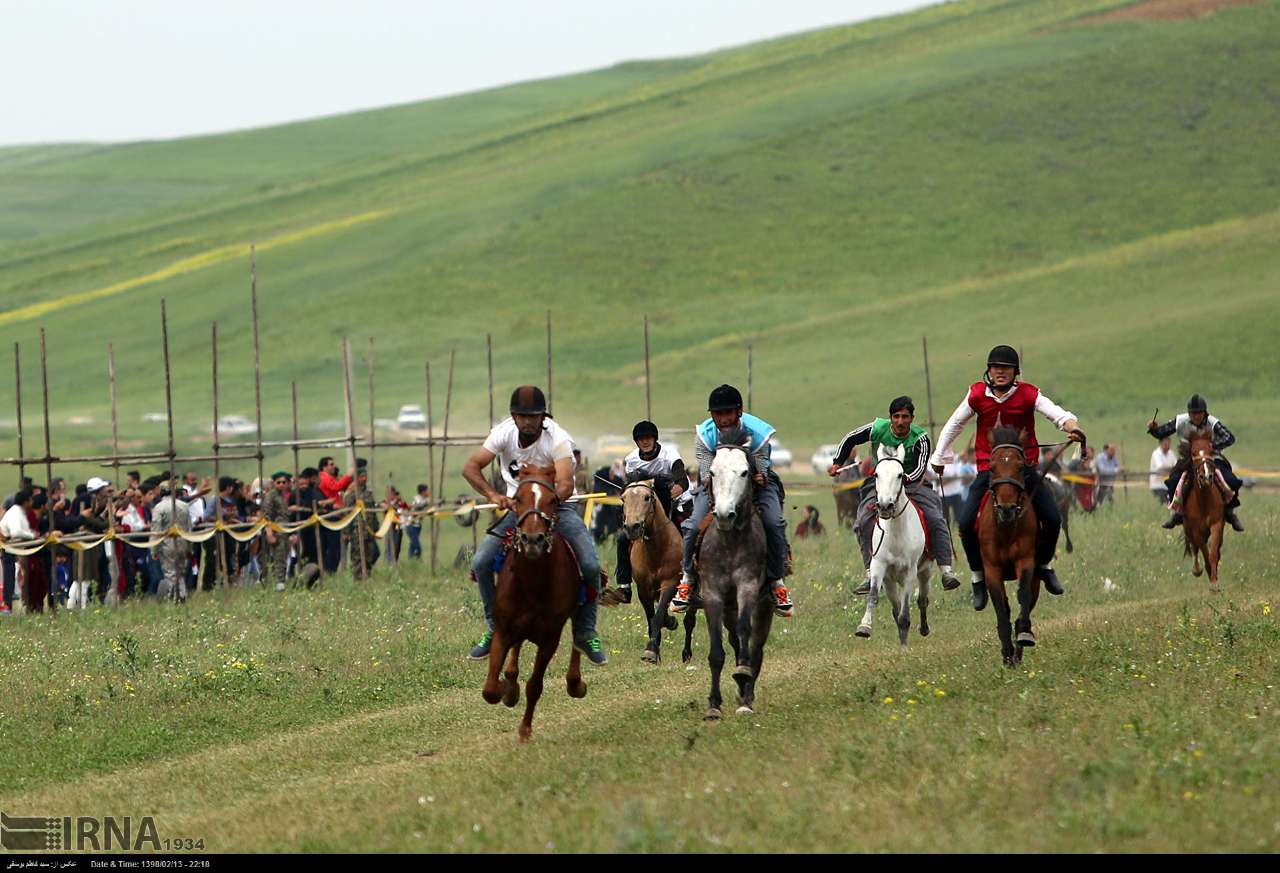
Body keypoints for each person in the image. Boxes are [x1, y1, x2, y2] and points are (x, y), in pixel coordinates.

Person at [929, 345, 1086, 611]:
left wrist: (1071, 425)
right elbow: (955, 424)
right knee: (966, 522)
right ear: (988, 370)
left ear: (1015, 372)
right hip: (989, 472)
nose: (1000, 372)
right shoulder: (977, 394)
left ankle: (1045, 566)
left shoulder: (1028, 394)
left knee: (1052, 517)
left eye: (1006, 368)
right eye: (995, 367)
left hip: (1025, 470)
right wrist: (939, 456)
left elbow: (1054, 412)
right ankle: (978, 576)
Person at [461, 385, 608, 666]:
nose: (527, 421)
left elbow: (565, 483)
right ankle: (494, 626)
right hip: (518, 509)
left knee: (589, 564)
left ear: (543, 416)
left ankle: (586, 630)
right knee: (481, 562)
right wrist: (494, 495)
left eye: (533, 416)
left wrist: (545, 504)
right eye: (522, 416)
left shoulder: (558, 438)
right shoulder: (502, 432)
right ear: (514, 417)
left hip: (556, 507)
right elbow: (471, 466)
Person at [671, 384, 793, 618]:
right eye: (718, 414)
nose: (723, 418)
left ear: (739, 411)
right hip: (717, 486)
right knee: (693, 526)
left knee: (773, 523)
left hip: (755, 487)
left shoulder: (757, 433)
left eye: (728, 412)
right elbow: (705, 471)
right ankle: (687, 579)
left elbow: (762, 464)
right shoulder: (705, 436)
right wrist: (713, 483)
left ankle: (777, 581)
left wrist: (761, 475)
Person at [827, 396, 960, 595]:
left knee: (935, 517)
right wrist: (838, 462)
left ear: (912, 418)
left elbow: (920, 467)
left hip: (912, 482)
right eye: (896, 416)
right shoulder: (877, 428)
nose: (900, 421)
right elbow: (850, 438)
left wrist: (905, 479)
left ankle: (946, 570)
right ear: (890, 417)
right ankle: (870, 573)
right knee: (863, 519)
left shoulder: (920, 437)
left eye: (905, 417)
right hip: (880, 483)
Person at [603, 420, 686, 606]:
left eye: (648, 438)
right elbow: (630, 486)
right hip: (645, 506)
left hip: (673, 502)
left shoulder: (670, 454)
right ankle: (624, 587)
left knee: (690, 531)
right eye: (641, 439)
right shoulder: (631, 459)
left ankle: (690, 583)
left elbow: (682, 481)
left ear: (655, 439)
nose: (645, 442)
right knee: (623, 538)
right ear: (636, 441)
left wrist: (671, 492)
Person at [1147, 394, 1244, 531]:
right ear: (1189, 413)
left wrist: (1211, 446)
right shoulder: (1180, 420)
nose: (1197, 416)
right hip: (1189, 459)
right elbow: (1161, 433)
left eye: (1199, 413)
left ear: (1204, 412)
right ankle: (1177, 513)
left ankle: (1230, 512)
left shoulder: (1212, 422)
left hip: (1212, 458)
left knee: (1232, 480)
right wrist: (1153, 429)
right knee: (1172, 481)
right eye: (1193, 413)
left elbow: (1230, 437)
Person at [150, 480, 192, 601]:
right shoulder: (184, 506)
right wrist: (190, 546)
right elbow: (189, 527)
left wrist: (153, 548)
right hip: (183, 541)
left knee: (170, 572)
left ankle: (175, 597)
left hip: (167, 544)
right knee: (181, 571)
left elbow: (156, 530)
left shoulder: (159, 508)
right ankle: (182, 595)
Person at [261, 471, 291, 590]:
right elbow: (267, 516)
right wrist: (269, 533)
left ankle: (280, 579)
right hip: (275, 531)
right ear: (274, 483)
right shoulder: (271, 496)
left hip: (283, 530)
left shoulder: (281, 496)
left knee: (283, 554)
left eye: (284, 482)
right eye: (278, 482)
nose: (281, 484)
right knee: (277, 555)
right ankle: (278, 581)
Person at [1149, 436, 1177, 503]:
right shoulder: (1156, 454)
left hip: (1168, 485)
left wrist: (1173, 468)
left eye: (1168, 444)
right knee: (1164, 503)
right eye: (1165, 444)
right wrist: (1172, 468)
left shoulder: (1171, 453)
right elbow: (1161, 468)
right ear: (1160, 444)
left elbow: (1176, 465)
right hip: (1158, 485)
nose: (1167, 446)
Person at [407, 484, 430, 559]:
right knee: (417, 546)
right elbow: (420, 505)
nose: (428, 492)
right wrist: (427, 503)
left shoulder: (424, 499)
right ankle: (416, 560)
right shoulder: (417, 499)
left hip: (417, 525)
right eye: (427, 490)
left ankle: (411, 561)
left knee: (413, 545)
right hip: (412, 525)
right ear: (423, 491)